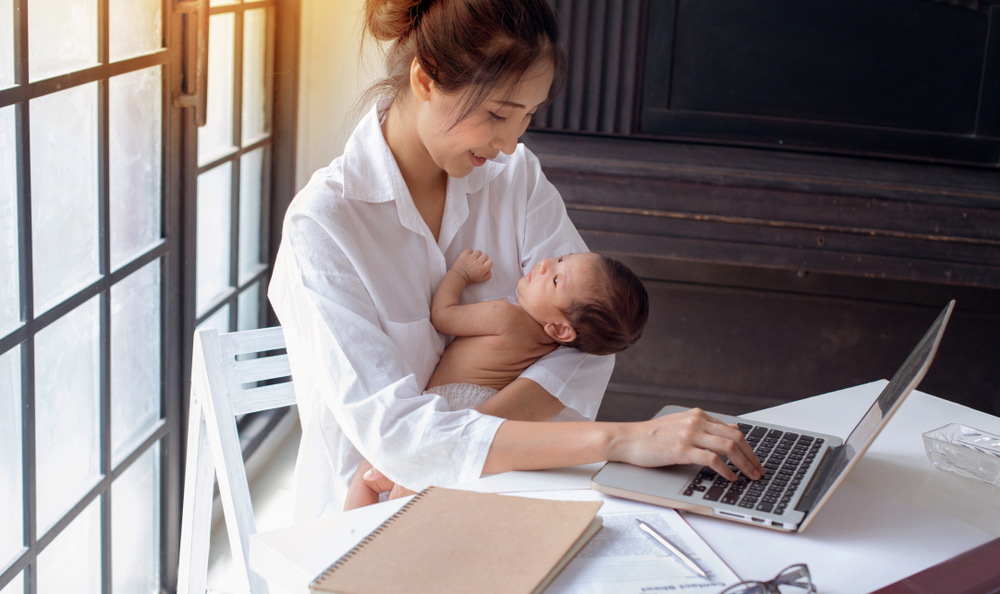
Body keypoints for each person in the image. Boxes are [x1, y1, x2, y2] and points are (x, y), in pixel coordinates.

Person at [269, 0, 764, 522]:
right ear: (425, 80)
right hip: (369, 517)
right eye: (498, 115)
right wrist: (621, 439)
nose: (510, 144)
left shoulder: (515, 179)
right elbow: (396, 439)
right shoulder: (323, 225)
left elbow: (588, 342)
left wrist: (465, 434)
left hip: (511, 490)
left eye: (527, 116)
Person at [344, 248, 651, 509]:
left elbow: (443, 315)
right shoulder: (548, 349)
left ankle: (348, 542)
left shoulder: (504, 316)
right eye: (560, 259)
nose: (544, 265)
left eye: (556, 279)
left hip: (452, 409)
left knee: (370, 471)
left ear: (560, 329)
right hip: (488, 421)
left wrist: (461, 274)